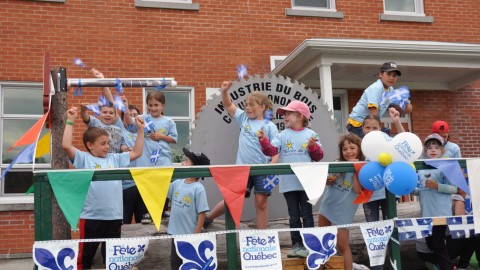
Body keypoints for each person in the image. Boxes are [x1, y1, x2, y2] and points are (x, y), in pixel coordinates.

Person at [62, 107, 144, 270]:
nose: (108, 147)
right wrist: (70, 120)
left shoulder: (115, 158)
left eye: (109, 143)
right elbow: (66, 145)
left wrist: (141, 130)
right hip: (91, 217)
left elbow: (137, 152)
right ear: (90, 145)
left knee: (113, 259)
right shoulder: (83, 159)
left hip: (113, 217)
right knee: (85, 258)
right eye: (103, 143)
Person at [208, 81, 279, 230]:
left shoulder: (270, 126)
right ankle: (208, 218)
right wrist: (224, 92)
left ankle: (262, 236)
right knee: (231, 198)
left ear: (262, 107)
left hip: (262, 171)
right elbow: (228, 105)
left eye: (251, 105)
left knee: (261, 203)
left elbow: (276, 150)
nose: (247, 107)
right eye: (246, 104)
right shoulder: (243, 118)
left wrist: (272, 166)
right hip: (242, 169)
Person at [258, 100, 323, 258]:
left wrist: (312, 147)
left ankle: (310, 245)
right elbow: (272, 151)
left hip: (307, 182)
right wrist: (263, 141)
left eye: (288, 113)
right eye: (284, 114)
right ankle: (296, 246)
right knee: (293, 216)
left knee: (307, 215)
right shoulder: (282, 135)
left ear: (300, 116)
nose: (285, 117)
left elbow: (319, 156)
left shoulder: (312, 135)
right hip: (289, 183)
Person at [125, 90, 178, 218]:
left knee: (163, 185)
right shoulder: (143, 119)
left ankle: (163, 209)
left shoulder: (169, 121)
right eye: (150, 105)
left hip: (162, 159)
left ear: (163, 106)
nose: (153, 108)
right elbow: (129, 123)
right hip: (145, 159)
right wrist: (125, 107)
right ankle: (146, 212)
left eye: (156, 105)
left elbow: (174, 139)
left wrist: (161, 136)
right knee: (146, 186)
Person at [413, 133, 458, 270]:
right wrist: (410, 190)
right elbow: (419, 190)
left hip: (441, 213)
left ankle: (448, 267)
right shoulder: (421, 168)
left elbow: (454, 188)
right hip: (426, 214)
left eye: (437, 147)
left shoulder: (445, 167)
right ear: (425, 151)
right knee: (431, 244)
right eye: (430, 147)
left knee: (437, 243)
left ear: (442, 151)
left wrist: (436, 186)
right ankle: (449, 265)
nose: (433, 150)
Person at [319, 133, 363, 270]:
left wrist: (355, 169)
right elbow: (329, 181)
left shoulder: (362, 167)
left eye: (352, 148)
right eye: (345, 149)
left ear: (359, 149)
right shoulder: (337, 164)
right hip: (328, 206)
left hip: (344, 211)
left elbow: (357, 190)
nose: (348, 152)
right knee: (322, 242)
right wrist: (328, 180)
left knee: (342, 245)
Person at [168, 147, 210, 269]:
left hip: (190, 235)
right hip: (174, 233)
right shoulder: (177, 183)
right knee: (175, 264)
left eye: (186, 161)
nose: (182, 162)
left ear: (195, 167)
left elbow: (202, 213)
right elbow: (163, 191)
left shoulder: (198, 188)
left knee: (189, 265)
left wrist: (196, 235)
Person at [346, 62, 412, 138]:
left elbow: (396, 105)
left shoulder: (390, 89)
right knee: (370, 145)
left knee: (384, 135)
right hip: (357, 125)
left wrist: (405, 106)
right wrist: (377, 130)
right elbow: (373, 113)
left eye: (394, 75)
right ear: (381, 74)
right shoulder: (376, 88)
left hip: (368, 124)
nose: (391, 78)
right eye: (388, 74)